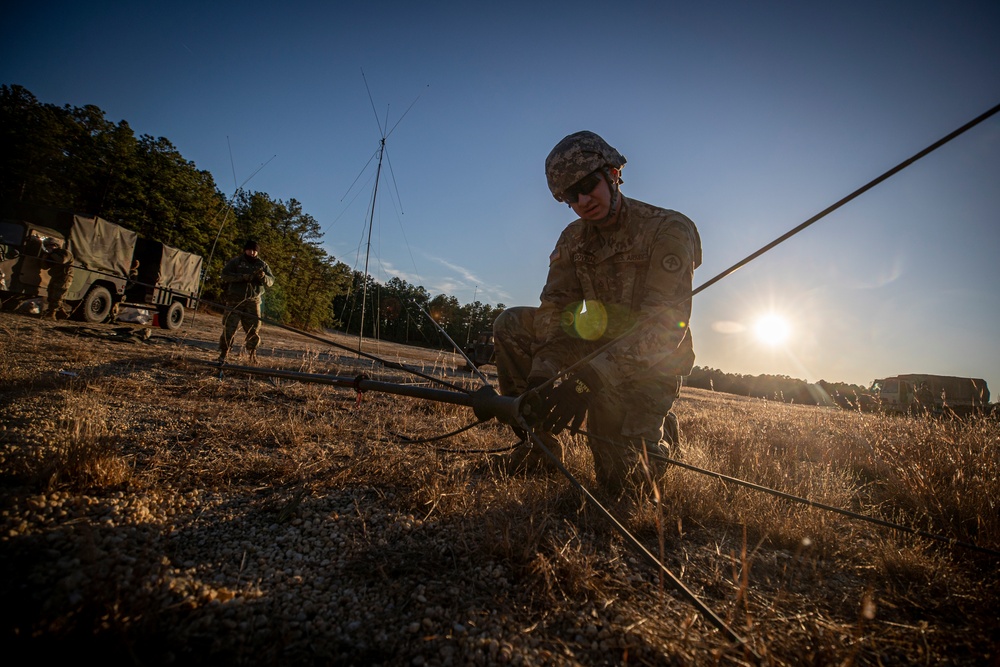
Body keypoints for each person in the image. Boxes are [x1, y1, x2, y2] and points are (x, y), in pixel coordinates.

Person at [493, 131, 702, 496]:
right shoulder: (573, 238)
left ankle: (661, 432)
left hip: (651, 362)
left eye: (588, 185)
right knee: (511, 324)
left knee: (623, 486)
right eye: (570, 197)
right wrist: (542, 375)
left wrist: (588, 380)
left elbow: (667, 328)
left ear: (613, 173)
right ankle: (537, 448)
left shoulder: (668, 230)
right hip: (590, 346)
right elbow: (555, 310)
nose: (583, 200)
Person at [217, 240, 275, 364]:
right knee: (229, 327)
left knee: (253, 330)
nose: (252, 252)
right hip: (235, 300)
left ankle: (252, 355)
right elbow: (224, 275)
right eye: (250, 250)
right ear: (245, 250)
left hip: (252, 301)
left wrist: (263, 277)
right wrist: (242, 277)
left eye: (255, 251)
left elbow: (270, 282)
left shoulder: (262, 265)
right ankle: (224, 353)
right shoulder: (236, 262)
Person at [43, 239, 75, 320]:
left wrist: (51, 253)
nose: (48, 247)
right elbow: (44, 266)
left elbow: (62, 261)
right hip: (56, 276)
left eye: (50, 245)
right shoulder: (52, 254)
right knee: (51, 294)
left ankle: (52, 314)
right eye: (47, 246)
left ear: (56, 245)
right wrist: (45, 256)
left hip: (65, 277)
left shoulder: (65, 253)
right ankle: (61, 314)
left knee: (57, 295)